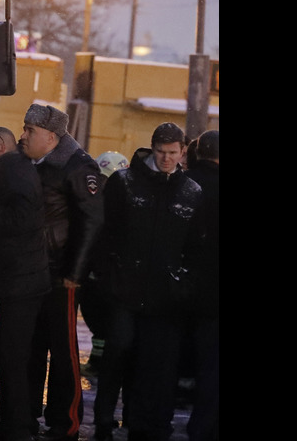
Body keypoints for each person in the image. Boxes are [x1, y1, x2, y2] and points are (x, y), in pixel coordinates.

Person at [97, 122, 203, 441]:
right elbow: (106, 231)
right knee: (118, 351)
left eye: (172, 153)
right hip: (126, 284)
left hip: (161, 290)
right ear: (153, 149)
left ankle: (133, 418)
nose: (166, 159)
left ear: (183, 152)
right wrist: (107, 275)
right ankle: (105, 418)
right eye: (161, 152)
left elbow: (193, 245)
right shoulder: (126, 182)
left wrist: (181, 282)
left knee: (145, 358)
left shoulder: (190, 191)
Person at [18, 104, 104, 441]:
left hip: (61, 275)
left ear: (51, 137)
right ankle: (25, 417)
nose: (23, 135)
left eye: (30, 130)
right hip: (34, 271)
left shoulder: (78, 167)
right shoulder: (31, 162)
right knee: (31, 347)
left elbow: (93, 222)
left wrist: (75, 272)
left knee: (64, 350)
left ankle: (64, 423)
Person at [0, 126, 50, 441]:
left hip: (22, 281)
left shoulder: (15, 172)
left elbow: (22, 220)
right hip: (19, 279)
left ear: (0, 149)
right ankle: (18, 424)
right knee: (12, 354)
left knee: (12, 355)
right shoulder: (10, 169)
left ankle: (16, 428)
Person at [81, 151, 129, 377]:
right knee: (99, 321)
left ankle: (102, 364)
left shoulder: (112, 205)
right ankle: (99, 361)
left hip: (106, 274)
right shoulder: (96, 202)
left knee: (105, 323)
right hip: (97, 273)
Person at [183, 130, 218, 441]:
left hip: (175, 288)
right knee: (211, 366)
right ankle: (202, 426)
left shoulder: (181, 183)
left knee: (165, 362)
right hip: (212, 294)